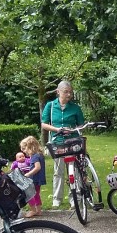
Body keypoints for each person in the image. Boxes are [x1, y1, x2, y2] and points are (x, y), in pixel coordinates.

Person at [41, 80, 85, 208]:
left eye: (70, 92)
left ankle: (75, 198)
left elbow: (81, 125)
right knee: (58, 171)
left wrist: (72, 130)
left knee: (74, 170)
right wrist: (57, 129)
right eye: (66, 92)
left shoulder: (75, 108)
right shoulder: (50, 106)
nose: (69, 95)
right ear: (58, 92)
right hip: (57, 142)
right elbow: (44, 124)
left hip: (72, 142)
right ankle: (57, 199)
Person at [19, 136, 46, 218]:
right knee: (36, 194)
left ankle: (33, 210)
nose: (23, 151)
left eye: (24, 149)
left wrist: (28, 174)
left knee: (28, 194)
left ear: (30, 147)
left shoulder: (35, 156)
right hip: (38, 179)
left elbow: (37, 167)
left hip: (34, 179)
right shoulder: (39, 155)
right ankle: (38, 210)